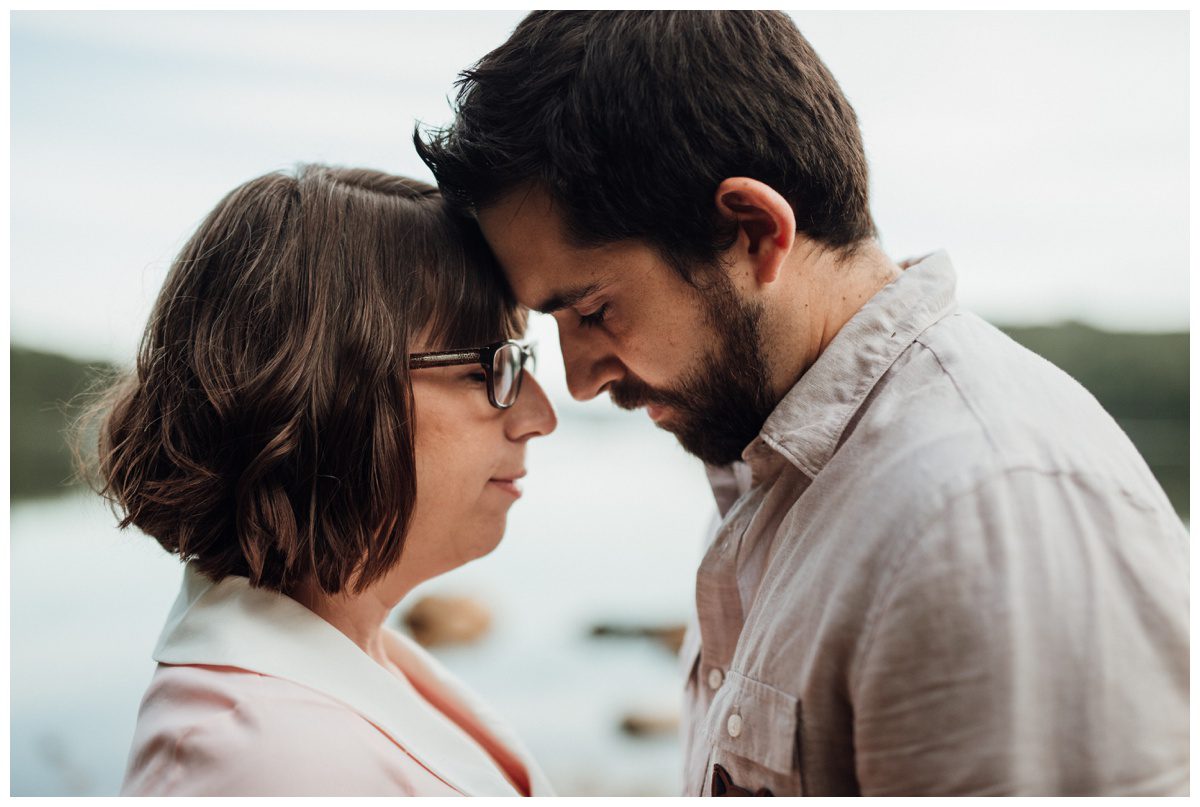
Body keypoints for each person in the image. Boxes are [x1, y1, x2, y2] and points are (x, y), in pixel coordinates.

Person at [415, 10, 1189, 796]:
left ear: (754, 232)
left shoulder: (981, 512)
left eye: (592, 310)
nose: (578, 382)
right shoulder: (782, 463)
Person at [81, 165, 557, 796]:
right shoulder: (263, 759)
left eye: (520, 360)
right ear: (326, 392)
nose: (538, 417)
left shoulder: (354, 659)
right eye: (485, 370)